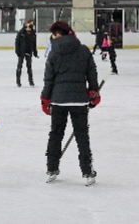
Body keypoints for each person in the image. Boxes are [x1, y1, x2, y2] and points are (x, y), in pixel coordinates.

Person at [40, 21, 99, 186]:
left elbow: (49, 79)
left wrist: (45, 98)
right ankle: (87, 171)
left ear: (59, 34)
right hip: (79, 100)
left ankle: (51, 168)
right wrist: (93, 92)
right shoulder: (83, 50)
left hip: (58, 100)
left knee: (56, 134)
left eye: (53, 34)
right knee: (82, 136)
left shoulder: (53, 53)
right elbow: (91, 73)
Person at [15, 20, 39, 87]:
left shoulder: (33, 33)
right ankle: (18, 81)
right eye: (29, 24)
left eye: (31, 24)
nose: (30, 25)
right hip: (21, 52)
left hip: (29, 51)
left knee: (29, 67)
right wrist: (17, 51)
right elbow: (17, 42)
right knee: (19, 66)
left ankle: (31, 81)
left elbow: (34, 44)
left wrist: (35, 52)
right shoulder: (21, 32)